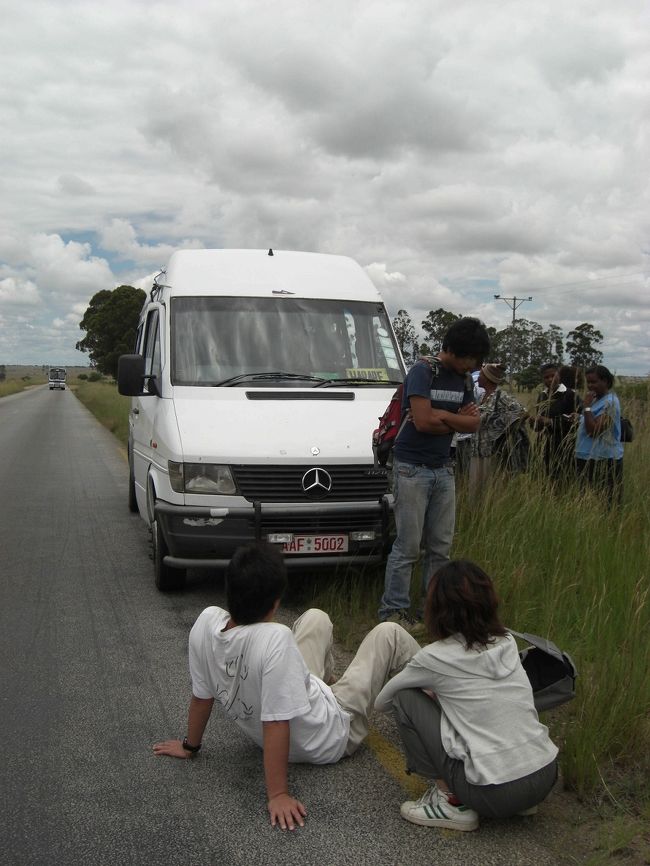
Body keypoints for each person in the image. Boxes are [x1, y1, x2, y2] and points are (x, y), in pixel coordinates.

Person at [153, 542, 420, 830]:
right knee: (389, 633)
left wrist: (189, 746)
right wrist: (277, 794)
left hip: (283, 726)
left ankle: (328, 683)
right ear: (275, 603)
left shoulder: (205, 624)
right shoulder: (275, 638)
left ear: (228, 589)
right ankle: (445, 683)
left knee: (315, 617)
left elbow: (201, 697)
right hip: (335, 731)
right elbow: (276, 723)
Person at [375, 560, 559, 832]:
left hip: (494, 794)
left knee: (406, 697)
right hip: (545, 775)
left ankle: (451, 803)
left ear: (437, 609)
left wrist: (435, 695)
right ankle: (522, 803)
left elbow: (383, 702)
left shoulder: (435, 657)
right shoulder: (507, 640)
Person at [378, 317, 491, 629]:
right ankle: (394, 613)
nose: (474, 366)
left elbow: (473, 423)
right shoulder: (423, 371)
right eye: (472, 359)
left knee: (440, 547)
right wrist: (454, 418)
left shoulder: (465, 380)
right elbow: (423, 423)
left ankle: (433, 613)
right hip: (411, 469)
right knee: (408, 547)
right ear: (456, 351)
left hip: (444, 469)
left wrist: (442, 413)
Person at [468, 363, 527, 500]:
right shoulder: (482, 397)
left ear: (488, 378)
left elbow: (521, 412)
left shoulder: (500, 396)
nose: (479, 377)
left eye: (482, 374)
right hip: (476, 451)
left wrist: (497, 429)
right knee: (474, 493)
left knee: (489, 492)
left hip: (491, 453)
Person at [575, 364, 624, 507]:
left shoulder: (611, 402)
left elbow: (594, 431)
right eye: (588, 382)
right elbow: (589, 420)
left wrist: (587, 407)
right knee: (585, 501)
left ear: (606, 382)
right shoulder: (596, 399)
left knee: (607, 503)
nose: (590, 386)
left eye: (594, 382)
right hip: (585, 456)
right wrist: (578, 417)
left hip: (604, 459)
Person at [530, 363, 582, 482]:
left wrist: (551, 422)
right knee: (544, 477)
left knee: (562, 478)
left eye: (552, 375)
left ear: (558, 375)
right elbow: (539, 424)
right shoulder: (542, 396)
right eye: (546, 377)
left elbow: (576, 420)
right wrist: (534, 422)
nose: (550, 379)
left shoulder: (570, 395)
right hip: (544, 444)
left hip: (564, 445)